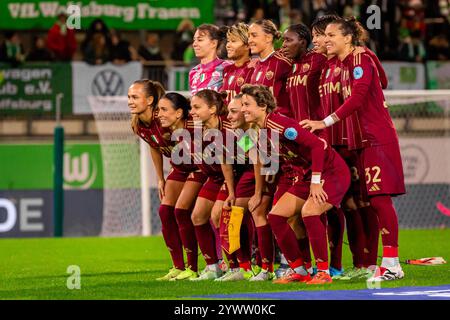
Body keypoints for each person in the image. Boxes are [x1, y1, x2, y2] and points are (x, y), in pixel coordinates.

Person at [301, 17, 406, 282]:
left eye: (332, 34)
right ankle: (381, 262)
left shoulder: (360, 59)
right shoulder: (344, 63)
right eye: (324, 35)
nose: (326, 39)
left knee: (380, 200)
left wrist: (323, 123)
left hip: (376, 137)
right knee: (371, 200)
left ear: (348, 38)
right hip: (360, 140)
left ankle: (392, 263)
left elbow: (358, 97)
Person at [241, 84, 350, 284]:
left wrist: (316, 181)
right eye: (240, 106)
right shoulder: (257, 131)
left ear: (263, 106)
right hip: (306, 175)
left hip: (330, 171)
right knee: (275, 217)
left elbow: (317, 146)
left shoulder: (280, 124)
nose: (242, 109)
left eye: (246, 104)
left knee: (309, 212)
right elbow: (257, 157)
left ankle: (324, 272)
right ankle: (299, 270)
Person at [128, 80, 206, 281]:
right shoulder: (138, 125)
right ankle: (177, 266)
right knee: (164, 211)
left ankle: (193, 266)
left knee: (183, 212)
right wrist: (160, 178)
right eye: (129, 97)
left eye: (135, 97)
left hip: (199, 166)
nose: (130, 101)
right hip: (180, 167)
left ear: (150, 100)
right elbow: (153, 146)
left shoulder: (165, 117)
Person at [187, 89, 232, 280]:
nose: (192, 112)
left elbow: (252, 149)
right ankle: (213, 266)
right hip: (215, 178)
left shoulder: (229, 127)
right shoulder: (199, 130)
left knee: (217, 215)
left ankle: (236, 266)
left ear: (213, 109)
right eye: (191, 107)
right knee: (197, 216)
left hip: (234, 176)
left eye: (197, 107)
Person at [248, 19, 293, 118]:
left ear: (268, 38)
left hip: (281, 125)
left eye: (254, 35)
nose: (249, 40)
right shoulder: (255, 65)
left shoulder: (283, 62)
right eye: (249, 36)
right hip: (262, 126)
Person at [189, 24, 231, 95]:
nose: (194, 44)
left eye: (200, 40)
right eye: (194, 40)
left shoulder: (227, 67)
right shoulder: (193, 72)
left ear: (214, 43)